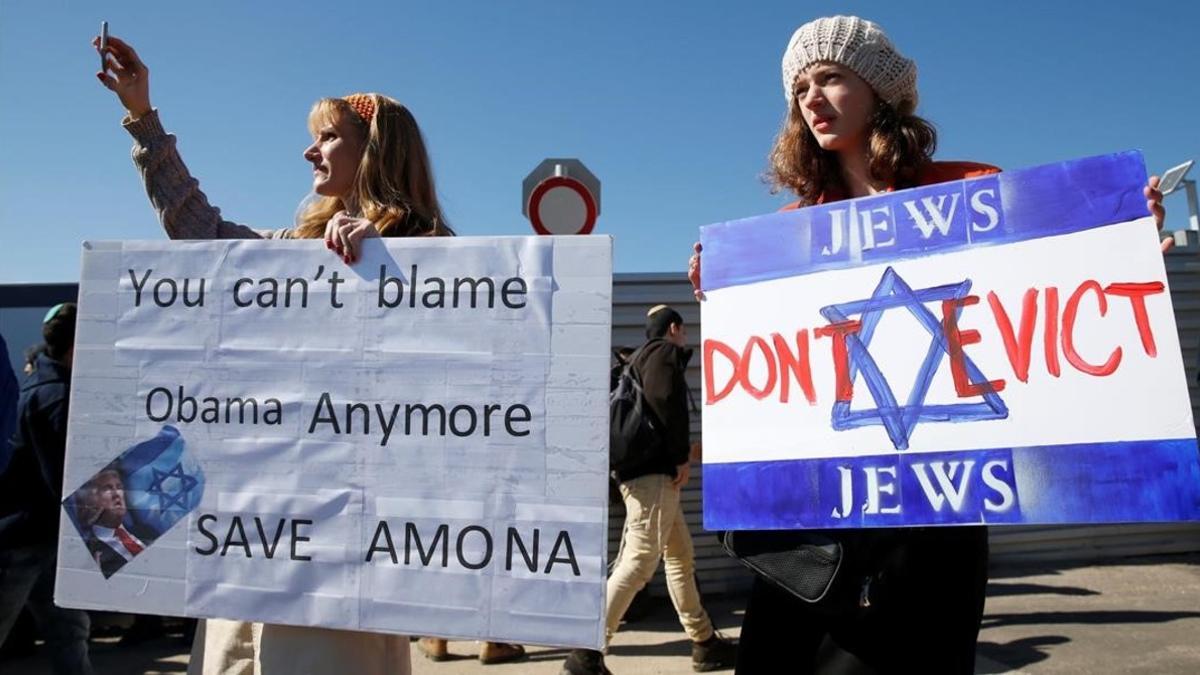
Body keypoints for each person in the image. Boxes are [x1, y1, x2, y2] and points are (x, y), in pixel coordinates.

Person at [687, 15, 1172, 674]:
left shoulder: (973, 189)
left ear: (879, 89)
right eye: (800, 88)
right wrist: (719, 291)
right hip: (816, 532)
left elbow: (1056, 295)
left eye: (830, 77)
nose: (812, 99)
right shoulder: (786, 233)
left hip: (932, 522)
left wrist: (1121, 248)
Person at [93, 32, 472, 675]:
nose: (308, 150)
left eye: (327, 137)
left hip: (342, 560)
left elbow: (464, 396)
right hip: (251, 536)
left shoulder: (441, 258)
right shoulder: (290, 251)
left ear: (375, 149)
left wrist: (386, 267)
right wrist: (143, 116)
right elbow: (200, 231)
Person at [561, 305, 736, 675]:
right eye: (683, 330)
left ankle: (704, 642)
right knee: (638, 562)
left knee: (680, 557)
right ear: (674, 328)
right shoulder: (663, 354)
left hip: (644, 476)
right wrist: (680, 458)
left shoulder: (636, 358)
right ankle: (585, 654)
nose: (685, 337)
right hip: (654, 477)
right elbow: (664, 406)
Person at [0, 303, 93, 675]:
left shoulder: (43, 385)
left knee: (69, 629)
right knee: (67, 631)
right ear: (76, 345)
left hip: (41, 535)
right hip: (26, 537)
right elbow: (62, 476)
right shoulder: (57, 396)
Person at [75, 468, 155, 579]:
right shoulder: (90, 557)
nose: (117, 494)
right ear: (90, 503)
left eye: (119, 487)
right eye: (107, 489)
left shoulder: (147, 531)